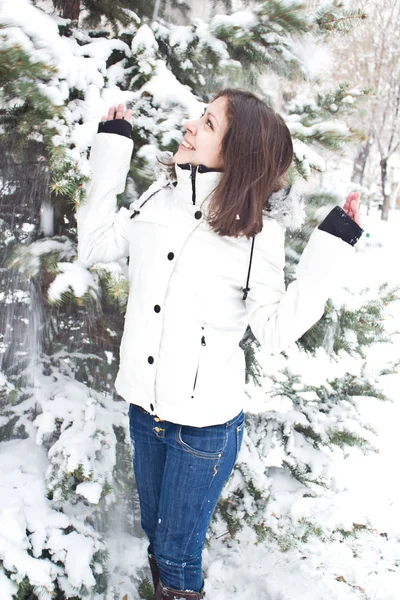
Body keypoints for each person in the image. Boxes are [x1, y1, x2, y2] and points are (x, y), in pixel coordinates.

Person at [77, 89, 363, 600]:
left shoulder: (254, 234)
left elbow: (275, 330)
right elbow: (95, 245)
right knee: (156, 538)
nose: (190, 124)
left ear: (237, 152)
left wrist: (331, 248)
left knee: (176, 553)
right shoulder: (158, 196)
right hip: (146, 410)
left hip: (203, 430)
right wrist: (112, 150)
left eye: (207, 123)